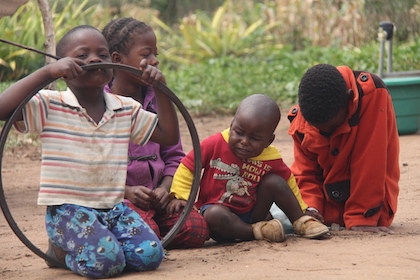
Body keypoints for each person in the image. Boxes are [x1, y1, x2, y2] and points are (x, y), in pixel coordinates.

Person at [0, 25, 180, 278]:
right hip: (68, 210)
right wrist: (46, 72)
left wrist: (161, 89)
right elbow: (2, 110)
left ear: (113, 64)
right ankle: (60, 253)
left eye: (102, 55)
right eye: (82, 56)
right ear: (63, 68)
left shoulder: (125, 108)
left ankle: (98, 247)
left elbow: (168, 137)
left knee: (151, 255)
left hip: (114, 207)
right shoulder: (50, 104)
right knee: (106, 263)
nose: (94, 60)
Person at [102, 17, 210, 249]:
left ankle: (144, 236)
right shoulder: (98, 104)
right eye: (146, 54)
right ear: (117, 60)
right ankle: (143, 234)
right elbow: (90, 167)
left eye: (156, 53)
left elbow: (174, 155)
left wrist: (165, 187)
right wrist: (127, 191)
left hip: (156, 200)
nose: (155, 60)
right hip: (117, 200)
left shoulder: (156, 99)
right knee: (145, 230)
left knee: (196, 228)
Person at [167, 94, 329, 242]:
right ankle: (256, 233)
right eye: (238, 132)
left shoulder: (270, 157)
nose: (244, 141)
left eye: (255, 138)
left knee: (275, 181)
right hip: (219, 216)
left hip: (253, 212)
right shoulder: (215, 144)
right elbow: (188, 167)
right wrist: (181, 196)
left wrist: (303, 209)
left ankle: (301, 222)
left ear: (269, 141)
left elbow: (288, 183)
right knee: (215, 215)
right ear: (231, 125)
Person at [287, 63, 400, 233]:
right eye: (320, 129)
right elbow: (306, 174)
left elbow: (370, 162)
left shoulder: (371, 95)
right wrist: (311, 211)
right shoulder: (303, 121)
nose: (328, 133)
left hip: (374, 211)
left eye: (333, 126)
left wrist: (361, 218)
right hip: (326, 215)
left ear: (349, 99)